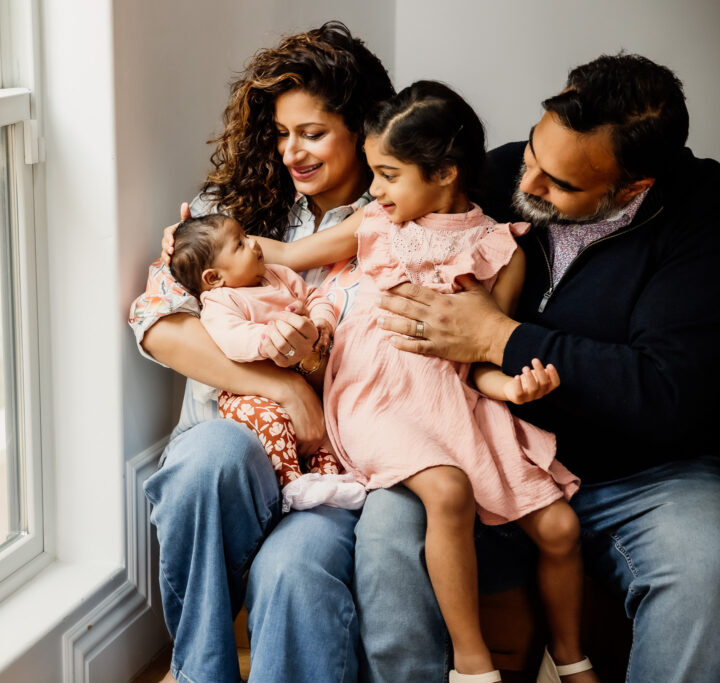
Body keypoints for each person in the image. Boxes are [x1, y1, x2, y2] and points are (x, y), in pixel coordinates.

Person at [353, 54, 720, 682]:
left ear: (633, 188)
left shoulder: (704, 221)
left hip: (639, 475)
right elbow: (375, 226)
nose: (529, 184)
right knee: (389, 531)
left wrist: (500, 338)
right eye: (533, 153)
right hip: (485, 445)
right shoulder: (496, 174)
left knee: (706, 564)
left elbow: (666, 390)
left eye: (562, 184)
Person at [255, 80, 595, 683]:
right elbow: (285, 254)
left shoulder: (501, 250)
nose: (376, 188)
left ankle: (572, 661)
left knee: (561, 525)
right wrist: (204, 242)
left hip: (458, 403)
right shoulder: (373, 224)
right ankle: (471, 663)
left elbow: (484, 361)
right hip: (376, 394)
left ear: (443, 174)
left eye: (387, 174)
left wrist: (514, 390)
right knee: (447, 491)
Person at [128, 21, 394, 683]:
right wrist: (281, 387)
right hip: (234, 455)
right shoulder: (225, 214)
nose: (291, 152)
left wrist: (312, 372)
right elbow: (159, 322)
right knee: (207, 459)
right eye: (280, 132)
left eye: (312, 132)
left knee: (294, 573)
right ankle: (201, 672)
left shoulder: (393, 219)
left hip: (330, 469)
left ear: (361, 128)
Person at [168, 212, 367, 513]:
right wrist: (272, 337)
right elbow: (232, 339)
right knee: (273, 422)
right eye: (239, 244)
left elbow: (313, 296)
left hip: (302, 381)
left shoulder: (277, 275)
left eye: (246, 236)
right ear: (214, 278)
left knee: (326, 430)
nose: (254, 245)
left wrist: (322, 321)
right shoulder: (221, 301)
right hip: (247, 393)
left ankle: (331, 479)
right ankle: (293, 483)